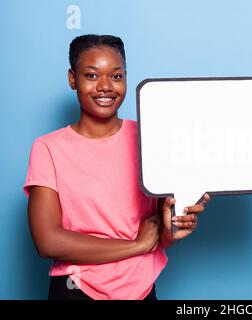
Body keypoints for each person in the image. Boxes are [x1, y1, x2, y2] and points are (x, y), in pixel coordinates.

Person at [23, 34, 210, 300]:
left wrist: (174, 225)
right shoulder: (48, 149)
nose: (105, 86)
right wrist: (135, 246)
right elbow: (48, 241)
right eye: (91, 75)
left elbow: (159, 233)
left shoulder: (150, 138)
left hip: (141, 289)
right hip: (77, 290)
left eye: (116, 76)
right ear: (72, 79)